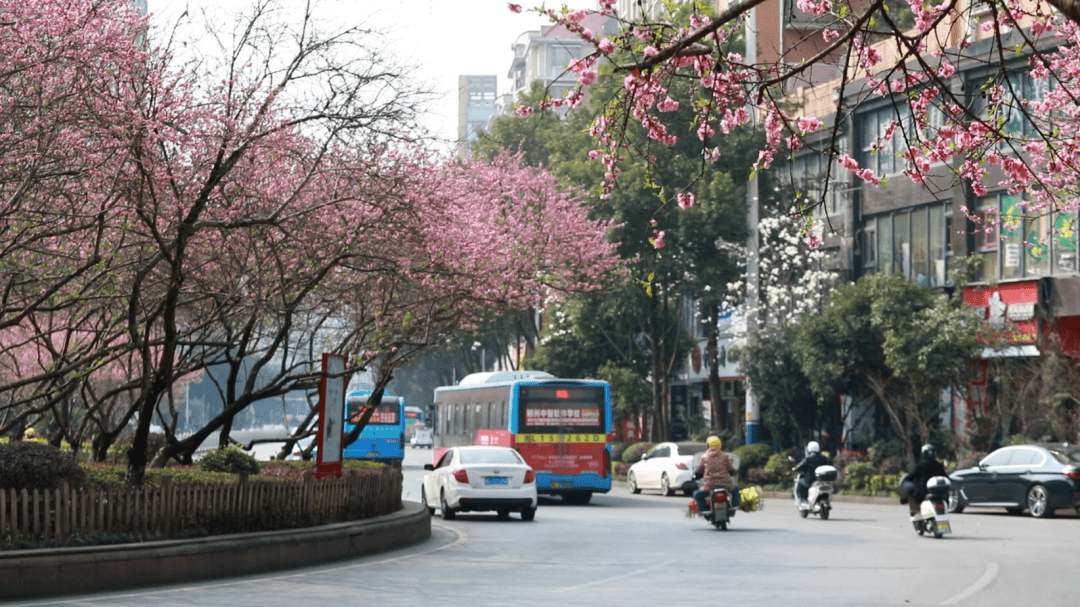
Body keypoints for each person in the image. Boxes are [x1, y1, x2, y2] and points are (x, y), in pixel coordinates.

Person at [694, 435, 737, 514]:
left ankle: (704, 510)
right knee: (735, 489)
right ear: (720, 445)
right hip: (726, 484)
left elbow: (700, 469)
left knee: (697, 495)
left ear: (708, 445)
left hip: (710, 485)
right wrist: (733, 472)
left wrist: (696, 474)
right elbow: (730, 468)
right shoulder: (724, 456)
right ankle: (735, 505)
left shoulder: (704, 457)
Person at [905, 443, 947, 516]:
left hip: (923, 493)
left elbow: (910, 477)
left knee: (910, 494)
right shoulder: (939, 466)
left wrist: (906, 478)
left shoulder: (920, 466)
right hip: (939, 493)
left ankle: (916, 513)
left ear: (923, 453)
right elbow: (946, 477)